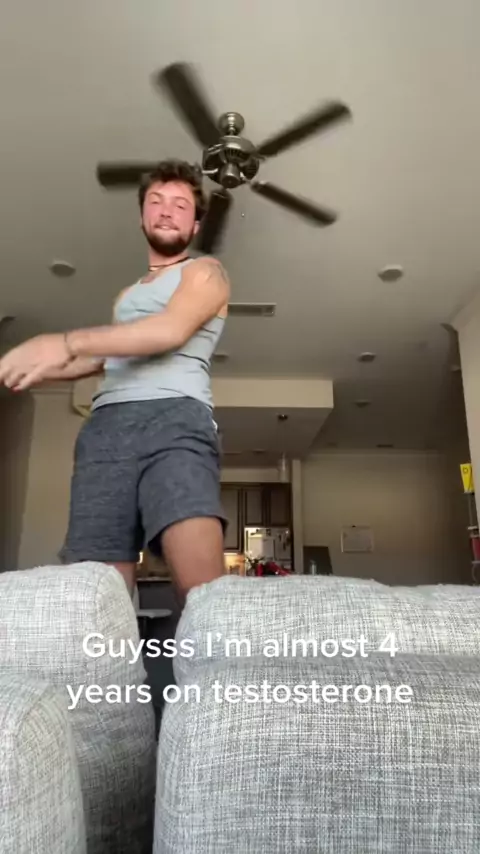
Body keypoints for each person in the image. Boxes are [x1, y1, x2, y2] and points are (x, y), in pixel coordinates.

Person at [0, 159, 230, 598]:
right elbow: (108, 358)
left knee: (203, 591)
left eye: (180, 204)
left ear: (196, 224)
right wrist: (31, 366)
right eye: (156, 201)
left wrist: (64, 342)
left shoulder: (205, 272)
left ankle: (220, 646)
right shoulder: (128, 295)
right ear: (142, 216)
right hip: (106, 429)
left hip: (175, 418)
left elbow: (169, 331)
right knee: (100, 591)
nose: (167, 210)